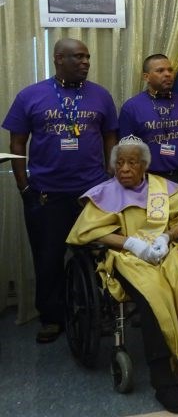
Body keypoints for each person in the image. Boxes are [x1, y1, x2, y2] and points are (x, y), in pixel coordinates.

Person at [67, 136, 178, 413]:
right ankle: (162, 379)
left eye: (132, 162)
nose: (125, 169)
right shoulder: (104, 194)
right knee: (151, 296)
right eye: (119, 163)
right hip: (128, 258)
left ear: (144, 165)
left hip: (166, 251)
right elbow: (88, 232)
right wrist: (130, 243)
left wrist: (166, 237)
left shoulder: (162, 188)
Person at [3, 38, 118, 344]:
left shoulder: (101, 95)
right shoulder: (31, 95)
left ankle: (99, 311)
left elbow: (110, 138)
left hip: (92, 194)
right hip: (46, 195)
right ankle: (52, 318)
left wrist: (111, 175)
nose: (85, 62)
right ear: (58, 60)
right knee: (48, 258)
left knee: (97, 256)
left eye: (87, 57)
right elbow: (16, 144)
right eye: (78, 57)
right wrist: (24, 187)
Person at [119, 54, 178, 204]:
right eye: (160, 71)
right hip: (148, 180)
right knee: (154, 227)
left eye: (170, 70)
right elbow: (126, 152)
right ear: (146, 77)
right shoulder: (131, 108)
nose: (167, 74)